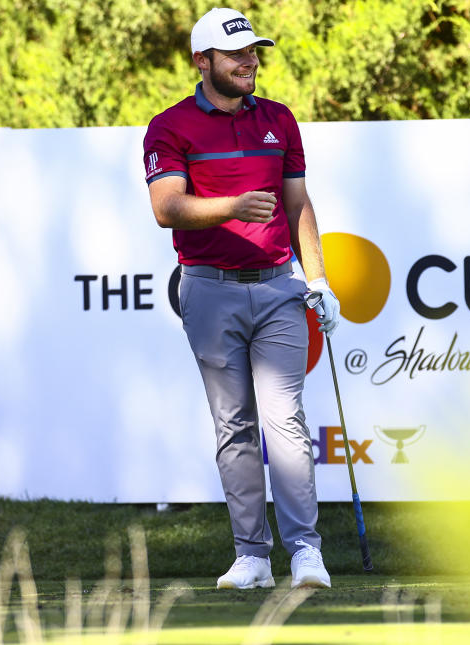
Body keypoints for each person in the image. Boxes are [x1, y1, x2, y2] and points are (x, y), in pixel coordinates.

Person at [142, 7, 340, 589]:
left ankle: (305, 551)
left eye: (254, 52)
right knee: (233, 425)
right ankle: (252, 556)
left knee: (286, 420)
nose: (249, 61)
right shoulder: (169, 126)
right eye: (236, 55)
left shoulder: (279, 120)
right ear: (203, 62)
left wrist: (319, 279)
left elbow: (298, 205)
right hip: (207, 288)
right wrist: (231, 206)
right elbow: (166, 208)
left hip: (279, 286)